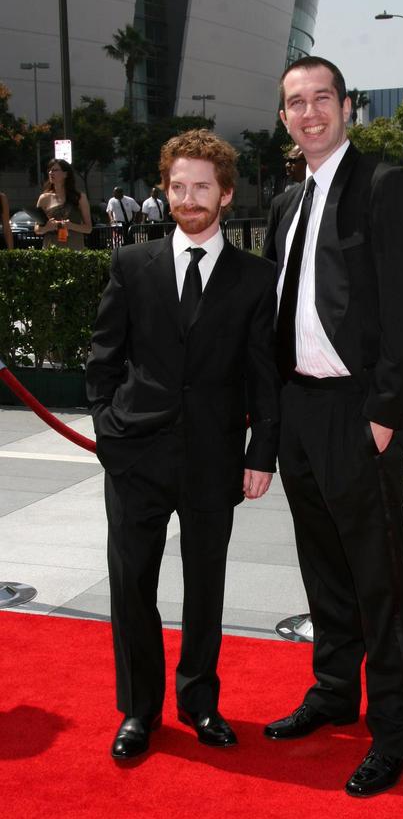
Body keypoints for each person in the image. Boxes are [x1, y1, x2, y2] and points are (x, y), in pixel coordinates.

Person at [262, 56, 403, 798]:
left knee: (379, 578)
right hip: (301, 411)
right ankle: (335, 690)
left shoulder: (385, 186)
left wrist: (382, 417)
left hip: (358, 413)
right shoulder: (284, 204)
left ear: (346, 106)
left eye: (321, 99)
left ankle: (397, 729)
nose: (309, 113)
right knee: (323, 567)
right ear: (283, 118)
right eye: (294, 103)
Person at [86, 129, 279, 762]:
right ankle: (139, 711)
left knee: (206, 586)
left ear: (225, 194)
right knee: (131, 583)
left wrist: (260, 455)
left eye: (201, 187)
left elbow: (263, 375)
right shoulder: (131, 264)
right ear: (164, 191)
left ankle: (199, 702)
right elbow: (103, 359)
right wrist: (109, 433)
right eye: (177, 187)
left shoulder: (255, 278)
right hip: (136, 455)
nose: (188, 199)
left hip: (213, 457)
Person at [34, 159, 92, 250]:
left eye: (55, 170)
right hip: (50, 250)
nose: (51, 173)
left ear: (65, 174)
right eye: (49, 170)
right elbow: (37, 229)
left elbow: (88, 228)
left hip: (74, 250)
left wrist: (71, 226)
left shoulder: (80, 197)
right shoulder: (44, 198)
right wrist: (47, 227)